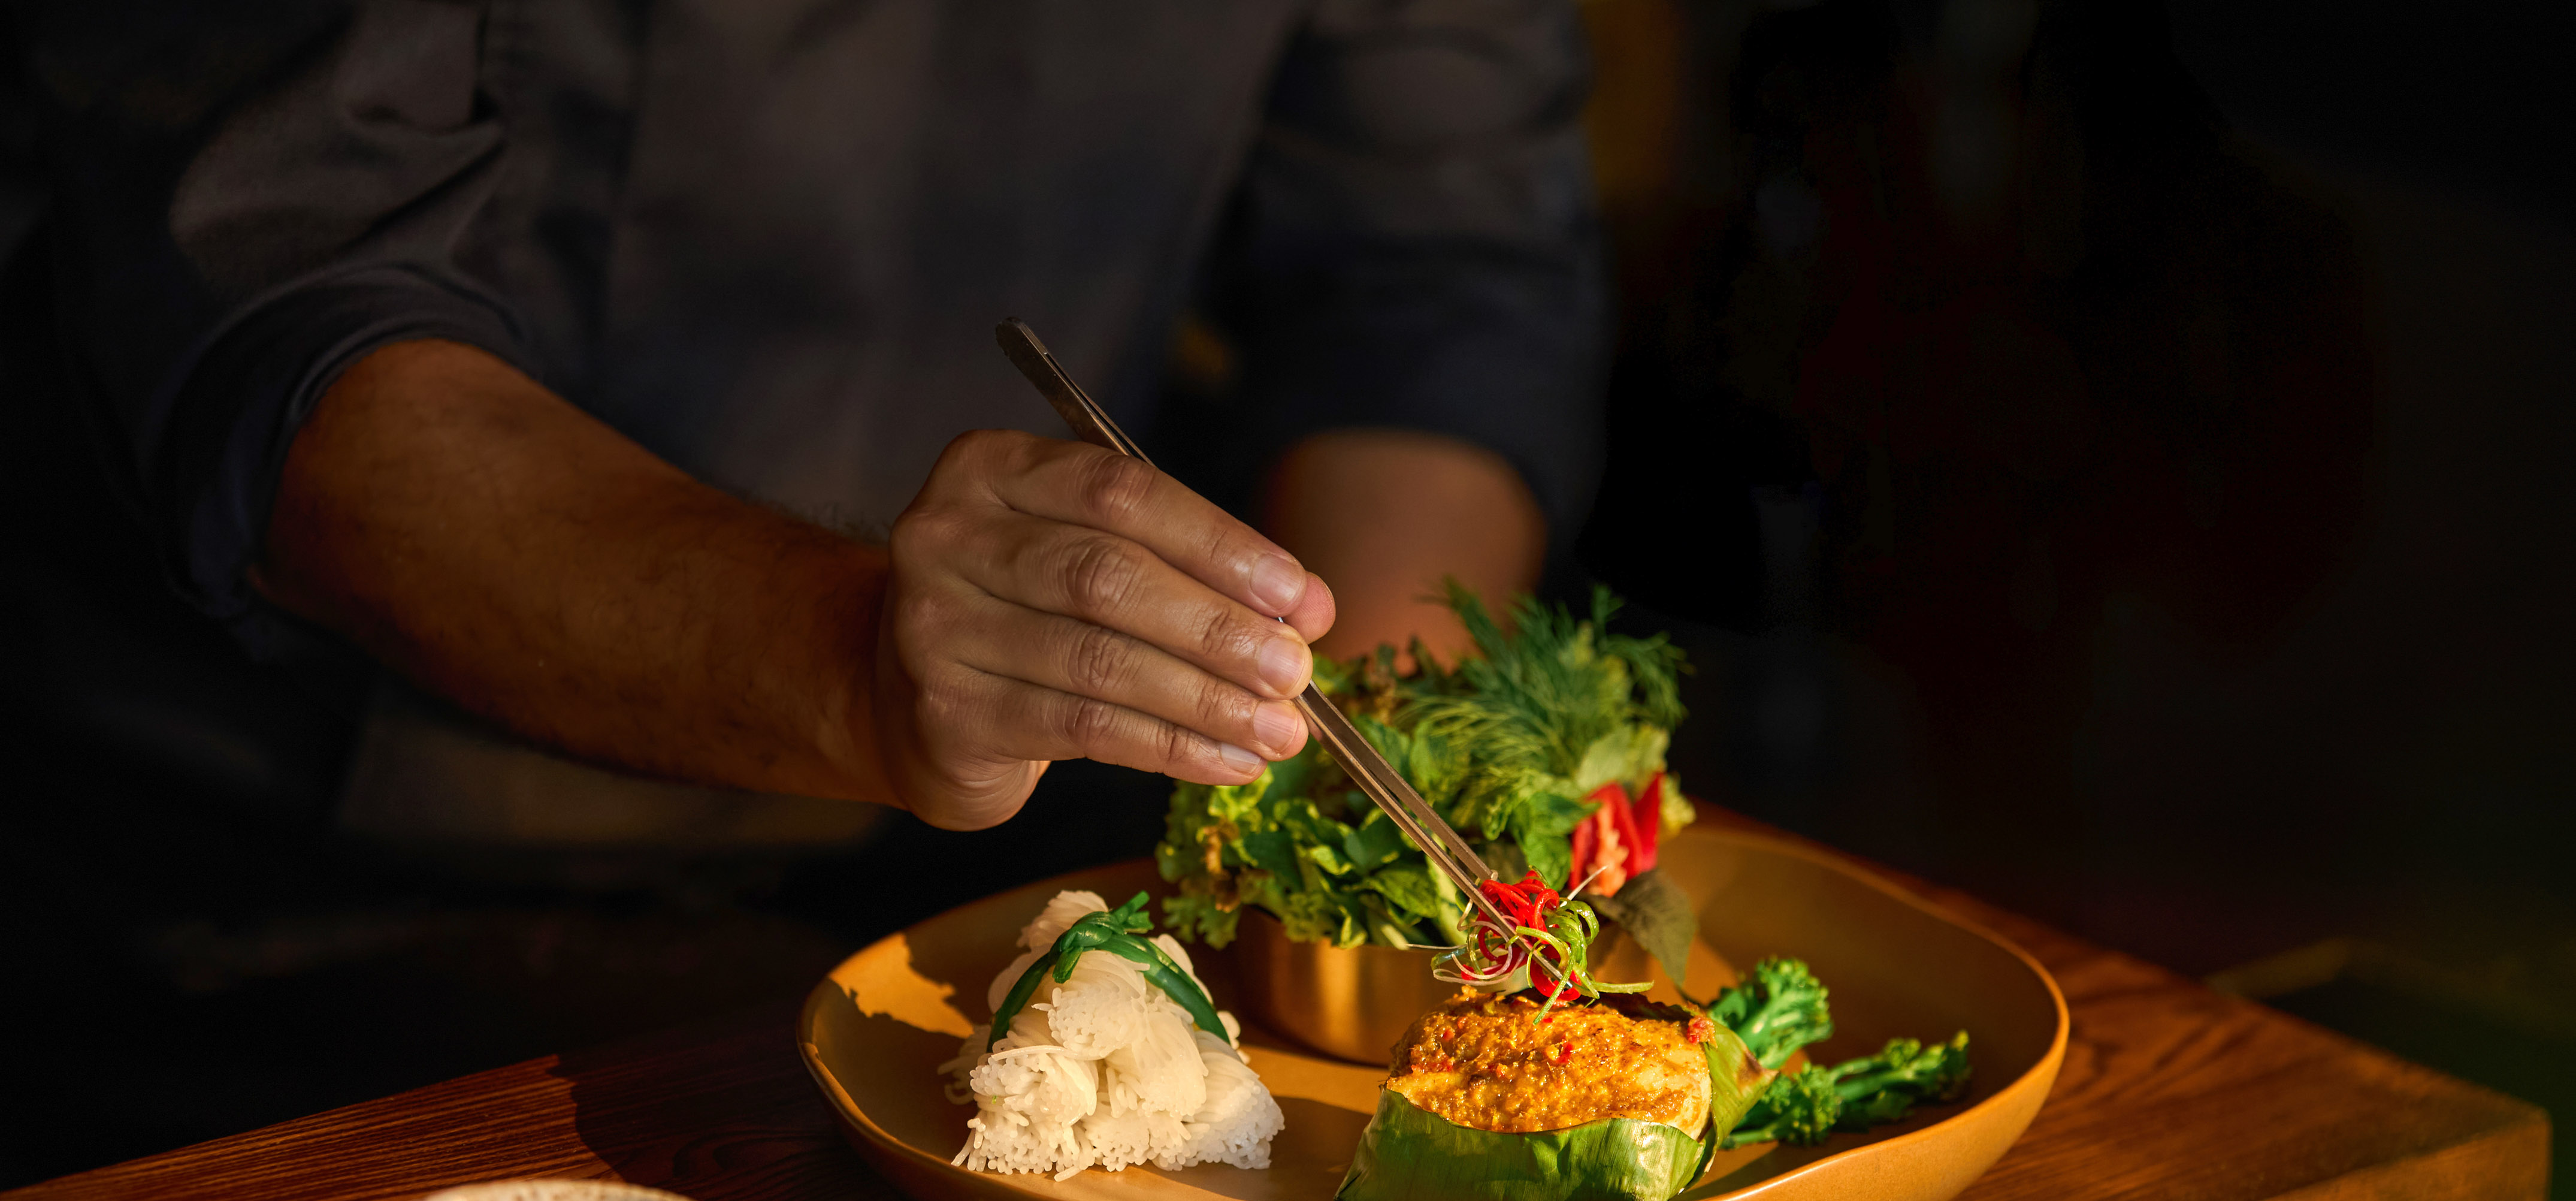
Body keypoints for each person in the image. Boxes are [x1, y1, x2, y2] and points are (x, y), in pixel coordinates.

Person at [13, 0, 1609, 833]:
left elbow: (1428, 272)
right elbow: (286, 324)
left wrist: (1365, 789)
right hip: (323, 895)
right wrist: (860, 670)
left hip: (1013, 876)